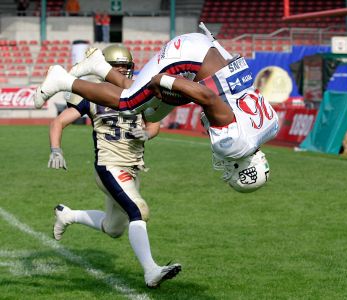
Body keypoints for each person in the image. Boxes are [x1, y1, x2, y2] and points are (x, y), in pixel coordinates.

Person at [35, 23, 279, 193]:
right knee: (129, 103)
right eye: (232, 172)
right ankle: (63, 80)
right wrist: (165, 80)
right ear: (242, 165)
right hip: (190, 57)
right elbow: (209, 98)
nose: (226, 169)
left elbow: (222, 86)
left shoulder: (269, 126)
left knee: (149, 109)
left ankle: (99, 66)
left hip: (206, 53)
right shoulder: (235, 145)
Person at [47, 44, 181, 288]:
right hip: (108, 164)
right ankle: (151, 271)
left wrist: (146, 134)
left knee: (114, 228)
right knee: (138, 211)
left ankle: (68, 215)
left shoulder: (138, 90)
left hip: (133, 167)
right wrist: (56, 149)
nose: (121, 71)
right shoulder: (91, 93)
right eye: (115, 67)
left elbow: (154, 122)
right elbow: (59, 122)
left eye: (124, 67)